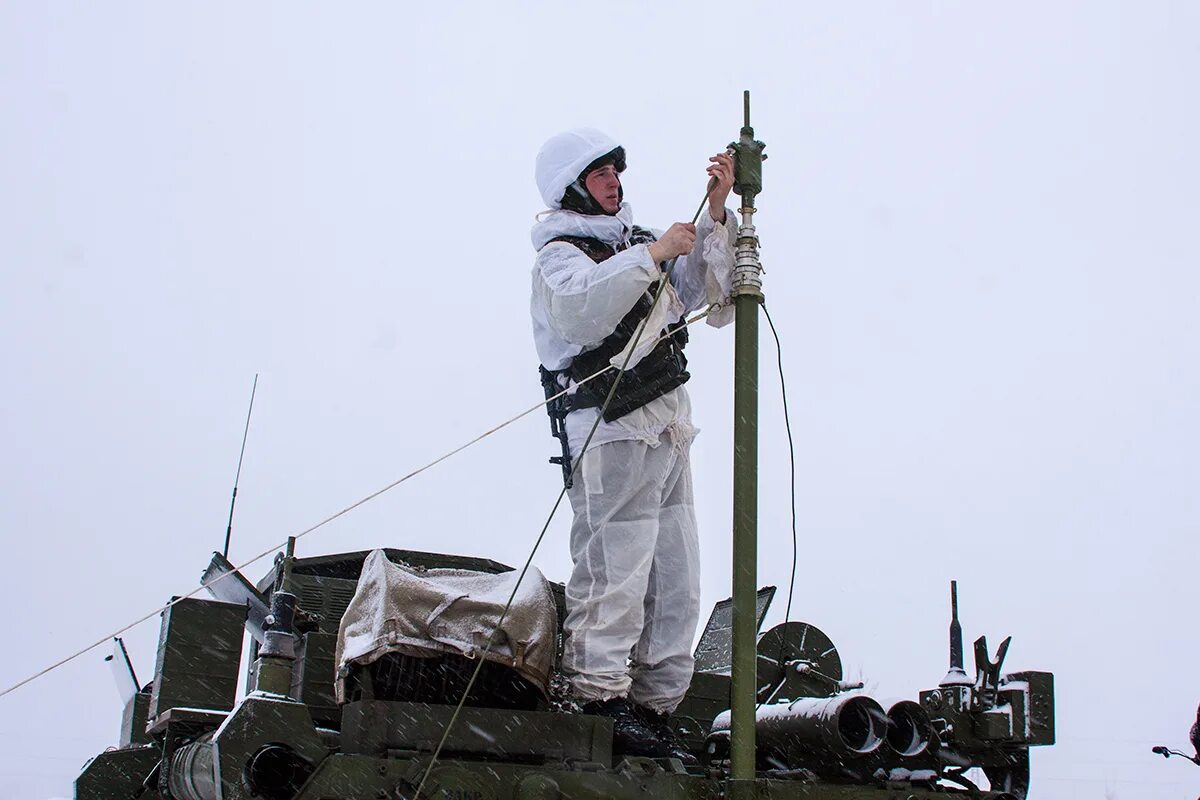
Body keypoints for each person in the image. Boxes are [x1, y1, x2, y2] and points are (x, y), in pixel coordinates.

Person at [530, 128, 736, 761]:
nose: (615, 182)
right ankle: (597, 697)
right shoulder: (562, 255)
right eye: (600, 175)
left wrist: (716, 212)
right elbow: (580, 312)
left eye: (617, 172)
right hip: (610, 426)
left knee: (676, 572)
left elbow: (706, 295)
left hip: (667, 424)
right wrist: (651, 257)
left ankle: (653, 704)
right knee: (615, 565)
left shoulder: (630, 243)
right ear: (572, 188)